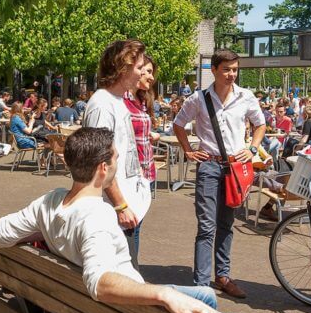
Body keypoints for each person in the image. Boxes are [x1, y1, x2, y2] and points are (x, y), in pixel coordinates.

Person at [0, 128, 267, 313]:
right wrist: (163, 295)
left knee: (205, 293)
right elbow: (99, 283)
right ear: (103, 169)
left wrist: (48, 230)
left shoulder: (51, 202)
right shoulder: (97, 215)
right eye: (115, 160)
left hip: (88, 307)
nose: (117, 165)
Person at [174, 49, 265, 299]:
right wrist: (188, 151)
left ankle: (223, 276)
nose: (231, 74)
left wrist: (253, 149)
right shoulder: (198, 99)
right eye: (226, 69)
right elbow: (178, 124)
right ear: (214, 70)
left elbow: (261, 124)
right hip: (210, 166)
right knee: (206, 225)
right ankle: (202, 284)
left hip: (235, 168)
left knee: (227, 224)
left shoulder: (245, 97)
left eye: (235, 69)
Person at [83, 39, 153, 257]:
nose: (143, 73)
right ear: (123, 67)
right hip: (118, 213)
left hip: (130, 207)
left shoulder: (117, 101)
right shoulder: (103, 105)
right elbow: (100, 162)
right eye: (139, 67)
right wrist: (120, 205)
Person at [124, 54, 161, 267]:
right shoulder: (123, 101)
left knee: (136, 227)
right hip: (131, 175)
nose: (151, 76)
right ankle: (130, 272)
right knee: (129, 228)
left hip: (147, 173)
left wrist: (150, 135)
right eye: (146, 70)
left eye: (151, 71)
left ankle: (133, 271)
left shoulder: (143, 101)